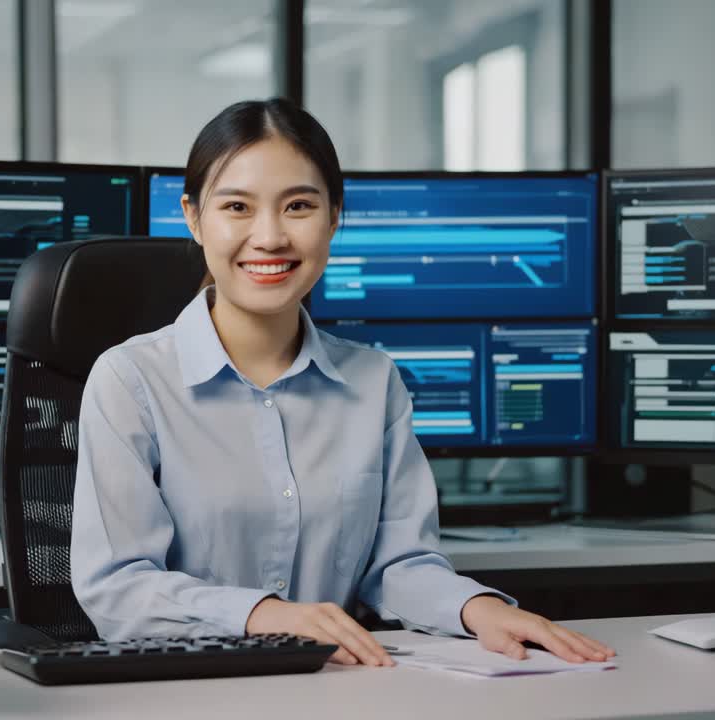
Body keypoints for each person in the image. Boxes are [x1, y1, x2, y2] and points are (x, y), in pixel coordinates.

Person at [71, 97, 615, 667]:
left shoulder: (373, 381)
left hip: (340, 686)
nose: (270, 237)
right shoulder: (130, 380)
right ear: (193, 217)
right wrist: (263, 615)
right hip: (189, 689)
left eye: (298, 206)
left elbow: (398, 564)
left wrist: (475, 608)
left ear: (334, 217)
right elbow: (118, 589)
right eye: (236, 207)